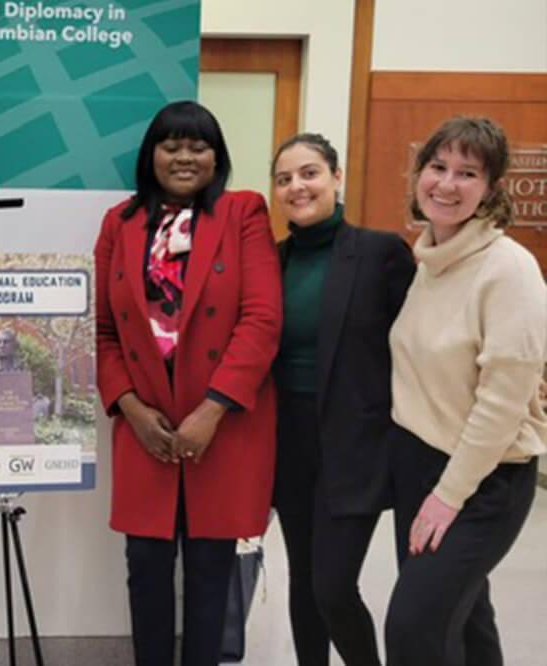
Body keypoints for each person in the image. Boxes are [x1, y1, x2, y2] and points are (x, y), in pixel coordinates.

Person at [94, 100, 282, 666]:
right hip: (145, 429)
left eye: (198, 146)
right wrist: (130, 408)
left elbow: (263, 319)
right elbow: (103, 330)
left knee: (210, 578)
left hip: (221, 429)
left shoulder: (243, 212)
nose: (183, 157)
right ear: (150, 155)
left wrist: (212, 410)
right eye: (170, 145)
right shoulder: (119, 224)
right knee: (145, 575)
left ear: (216, 157)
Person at [384, 116, 546, 666]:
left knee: (414, 629)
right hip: (420, 464)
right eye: (437, 167)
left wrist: (449, 494)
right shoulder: (428, 258)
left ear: (492, 190)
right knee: (468, 619)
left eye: (467, 173)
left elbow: (501, 404)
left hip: (482, 479)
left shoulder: (509, 269)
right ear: (419, 174)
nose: (446, 184)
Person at [270, 133, 415, 665]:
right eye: (284, 179)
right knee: (303, 583)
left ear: (336, 177)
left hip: (355, 448)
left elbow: (417, 352)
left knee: (332, 586)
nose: (296, 187)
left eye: (309, 173)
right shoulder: (272, 260)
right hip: (290, 447)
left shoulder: (380, 253)